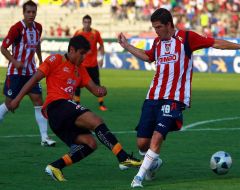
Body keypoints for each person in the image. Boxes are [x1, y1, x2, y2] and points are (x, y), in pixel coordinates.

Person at [118, 8, 240, 188]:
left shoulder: (187, 38)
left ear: (168, 25)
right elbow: (147, 56)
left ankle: (139, 178)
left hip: (174, 99)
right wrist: (127, 46)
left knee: (158, 136)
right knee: (142, 142)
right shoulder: (158, 42)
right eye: (154, 28)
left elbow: (214, 43)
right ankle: (153, 163)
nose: (156, 31)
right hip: (152, 97)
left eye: (158, 27)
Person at [7, 35, 142, 181]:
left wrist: (102, 89)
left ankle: (55, 166)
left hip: (62, 118)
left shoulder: (80, 69)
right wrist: (17, 99)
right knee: (95, 120)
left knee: (90, 144)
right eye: (82, 53)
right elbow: (33, 79)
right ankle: (123, 157)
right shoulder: (56, 60)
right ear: (72, 50)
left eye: (86, 54)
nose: (83, 57)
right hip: (57, 106)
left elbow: (95, 90)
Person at [0, 0, 56, 147]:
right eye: (28, 12)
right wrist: (15, 61)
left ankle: (45, 137)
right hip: (15, 73)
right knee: (10, 105)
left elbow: (37, 43)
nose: (31, 14)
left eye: (33, 12)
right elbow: (3, 48)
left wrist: (40, 58)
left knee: (39, 102)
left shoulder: (38, 27)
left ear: (36, 12)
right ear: (23, 13)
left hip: (31, 72)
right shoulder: (16, 28)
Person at [73, 14, 107, 111]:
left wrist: (101, 58)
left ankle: (101, 104)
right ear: (83, 23)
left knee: (97, 83)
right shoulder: (78, 33)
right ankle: (77, 104)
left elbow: (101, 45)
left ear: (91, 23)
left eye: (88, 22)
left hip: (93, 64)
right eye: (85, 22)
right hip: (81, 65)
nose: (87, 24)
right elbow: (73, 45)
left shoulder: (95, 33)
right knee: (77, 84)